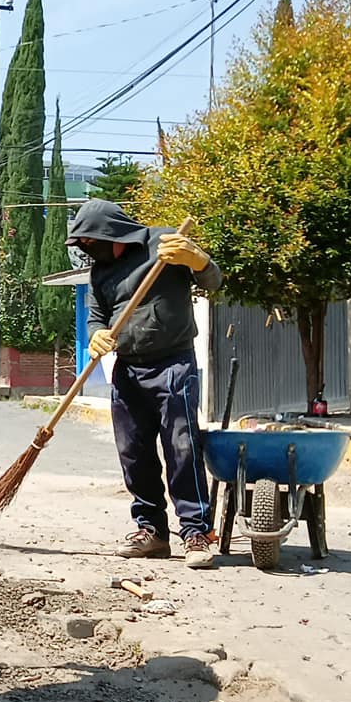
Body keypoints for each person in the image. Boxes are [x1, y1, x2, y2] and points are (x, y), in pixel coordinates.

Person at [66, 199, 223, 569]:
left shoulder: (165, 244)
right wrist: (97, 335)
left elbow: (213, 280)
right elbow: (96, 317)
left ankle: (195, 532)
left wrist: (197, 259)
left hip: (173, 363)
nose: (89, 250)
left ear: (112, 233)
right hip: (128, 368)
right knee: (133, 453)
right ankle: (151, 530)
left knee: (181, 448)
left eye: (90, 242)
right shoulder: (101, 273)